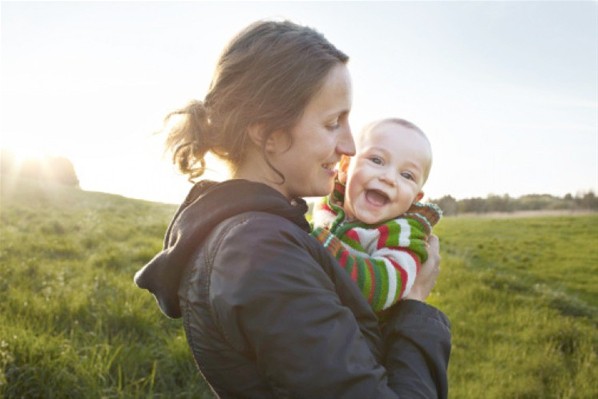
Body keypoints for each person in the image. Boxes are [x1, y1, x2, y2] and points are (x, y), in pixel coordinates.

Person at [134, 20, 451, 398]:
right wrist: (414, 303)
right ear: (266, 129)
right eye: (333, 122)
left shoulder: (263, 235)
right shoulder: (259, 253)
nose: (350, 146)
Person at [311, 118, 443, 315]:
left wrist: (320, 247)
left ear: (415, 199)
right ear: (346, 167)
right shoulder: (328, 203)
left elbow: (382, 289)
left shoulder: (403, 234)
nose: (389, 178)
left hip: (362, 336)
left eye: (407, 176)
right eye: (377, 160)